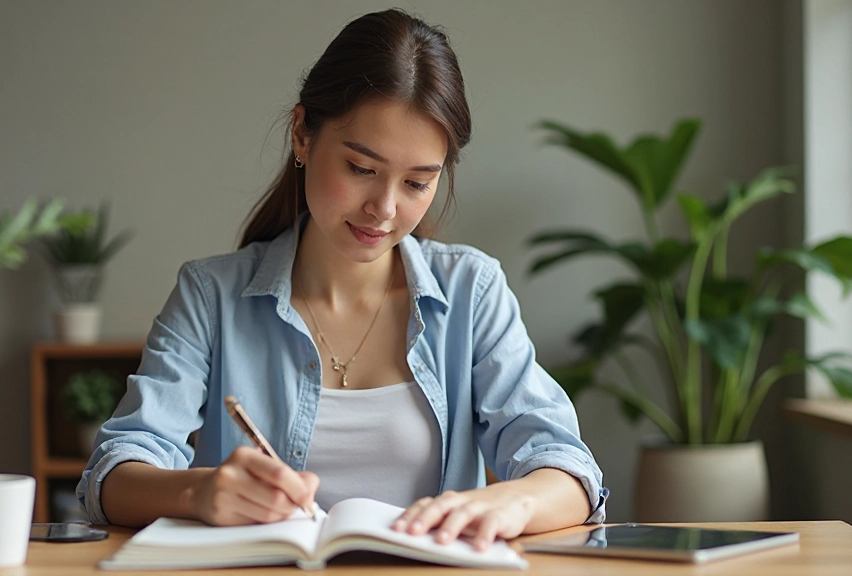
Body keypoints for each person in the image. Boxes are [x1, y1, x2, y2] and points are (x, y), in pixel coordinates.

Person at [77, 8, 607, 550]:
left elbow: (569, 472)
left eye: (418, 183)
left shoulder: (473, 291)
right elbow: (113, 474)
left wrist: (511, 500)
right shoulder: (211, 296)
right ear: (303, 135)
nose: (384, 208)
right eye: (361, 169)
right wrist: (200, 493)